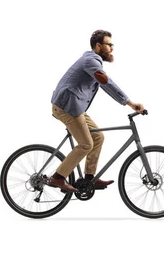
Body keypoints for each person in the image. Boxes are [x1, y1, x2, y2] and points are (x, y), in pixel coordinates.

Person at [49, 30, 145, 193]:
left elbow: (104, 84)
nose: (112, 48)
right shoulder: (91, 61)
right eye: (109, 45)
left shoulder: (93, 61)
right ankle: (57, 178)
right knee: (86, 144)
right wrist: (130, 103)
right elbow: (107, 83)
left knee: (98, 136)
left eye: (112, 45)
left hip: (75, 106)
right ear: (98, 46)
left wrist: (126, 102)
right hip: (67, 107)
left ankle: (89, 179)